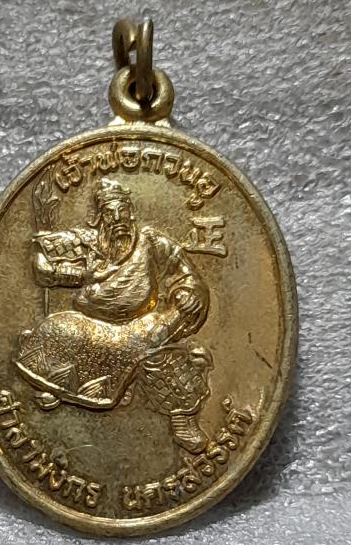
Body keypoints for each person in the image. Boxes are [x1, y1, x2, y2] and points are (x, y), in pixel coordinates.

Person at [16, 177, 213, 452]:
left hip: (140, 328)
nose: (118, 219)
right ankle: (54, 385)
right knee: (56, 329)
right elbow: (42, 262)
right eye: (110, 213)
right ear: (99, 218)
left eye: (123, 211)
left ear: (131, 213)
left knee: (165, 357)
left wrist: (187, 294)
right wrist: (64, 270)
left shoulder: (153, 243)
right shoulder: (84, 243)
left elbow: (187, 276)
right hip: (91, 327)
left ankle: (182, 420)